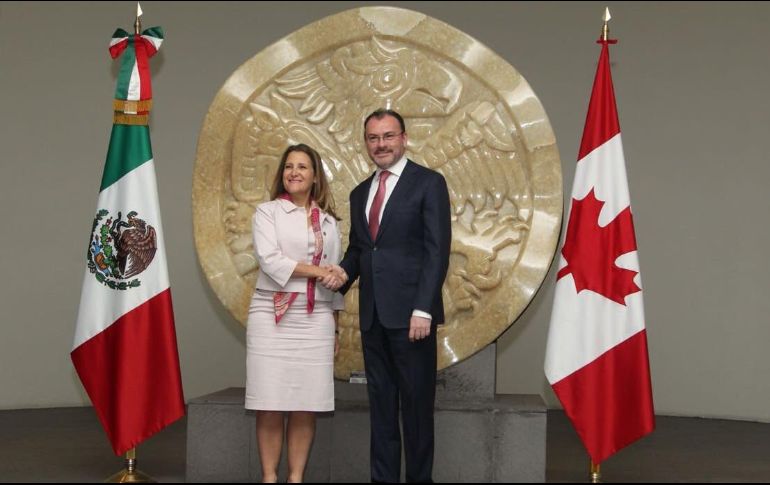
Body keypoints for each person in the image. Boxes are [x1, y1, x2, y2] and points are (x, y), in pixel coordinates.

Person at [337, 109, 452, 483]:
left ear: (404, 138)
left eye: (388, 136)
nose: (381, 144)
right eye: (373, 138)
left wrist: (423, 309)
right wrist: (339, 274)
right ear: (366, 143)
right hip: (372, 318)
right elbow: (360, 250)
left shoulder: (428, 183)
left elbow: (437, 251)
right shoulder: (359, 193)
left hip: (412, 319)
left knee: (417, 411)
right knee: (382, 410)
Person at [246, 143, 347, 483]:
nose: (294, 172)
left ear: (315, 176)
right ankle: (269, 477)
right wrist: (321, 272)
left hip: (316, 318)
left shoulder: (331, 223)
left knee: (307, 403)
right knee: (269, 401)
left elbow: (336, 283)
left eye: (302, 167)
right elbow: (270, 261)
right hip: (270, 314)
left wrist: (334, 328)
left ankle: (296, 478)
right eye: (289, 166)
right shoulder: (267, 212)